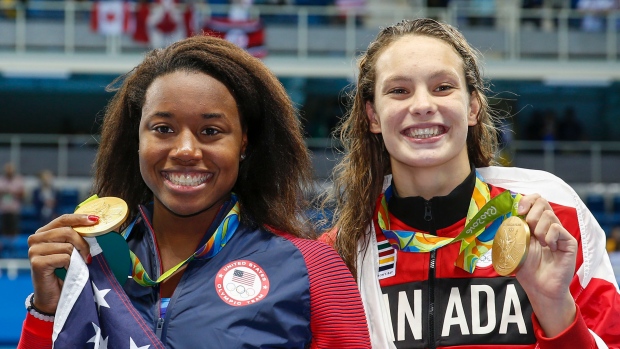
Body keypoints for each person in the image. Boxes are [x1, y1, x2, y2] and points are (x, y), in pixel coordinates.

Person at [19, 35, 370, 348]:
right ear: (137, 141)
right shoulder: (89, 263)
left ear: (243, 143)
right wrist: (47, 312)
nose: (186, 150)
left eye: (211, 131)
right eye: (163, 128)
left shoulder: (311, 267)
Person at [321, 18, 620, 349]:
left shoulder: (551, 220)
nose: (422, 105)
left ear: (473, 107)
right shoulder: (339, 254)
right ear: (373, 116)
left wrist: (554, 307)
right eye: (399, 91)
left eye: (443, 87)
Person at [0, 162, 24, 237]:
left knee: (14, 230)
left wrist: (13, 192)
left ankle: (13, 245)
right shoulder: (1, 180)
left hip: (14, 210)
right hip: (4, 209)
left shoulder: (18, 180)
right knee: (4, 229)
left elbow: (23, 194)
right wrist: (4, 192)